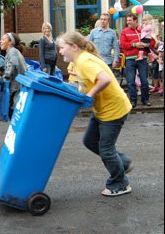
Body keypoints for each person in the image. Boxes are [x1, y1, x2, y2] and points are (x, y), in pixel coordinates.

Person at [58, 31, 133, 197]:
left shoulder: (84, 61)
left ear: (74, 47)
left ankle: (120, 183)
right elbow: (85, 84)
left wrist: (88, 96)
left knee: (106, 150)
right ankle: (123, 163)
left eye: (62, 47)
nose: (60, 51)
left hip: (113, 110)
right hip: (102, 110)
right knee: (90, 141)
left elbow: (105, 79)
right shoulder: (80, 61)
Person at [120, 14, 151, 107]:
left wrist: (146, 45)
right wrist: (135, 45)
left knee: (144, 81)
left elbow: (151, 41)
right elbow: (123, 44)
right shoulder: (124, 31)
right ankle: (133, 101)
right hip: (130, 59)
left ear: (135, 21)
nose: (128, 22)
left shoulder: (143, 29)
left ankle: (145, 100)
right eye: (127, 20)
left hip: (143, 59)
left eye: (130, 20)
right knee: (130, 81)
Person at [0, 32, 27, 119]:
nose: (1, 41)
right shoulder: (12, 51)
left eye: (3, 39)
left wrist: (4, 77)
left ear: (10, 42)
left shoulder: (12, 51)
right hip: (17, 85)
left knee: (16, 113)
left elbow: (12, 65)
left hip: (17, 86)